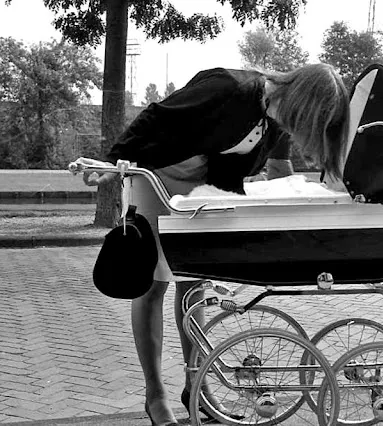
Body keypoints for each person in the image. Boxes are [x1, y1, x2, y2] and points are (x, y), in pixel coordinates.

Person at [82, 63, 350, 425]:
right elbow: (158, 116)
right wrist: (112, 163)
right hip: (158, 170)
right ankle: (155, 396)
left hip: (205, 186)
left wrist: (306, 204)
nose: (301, 131)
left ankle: (198, 388)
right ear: (299, 101)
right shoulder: (229, 87)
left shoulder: (277, 119)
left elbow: (279, 169)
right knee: (153, 283)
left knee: (195, 282)